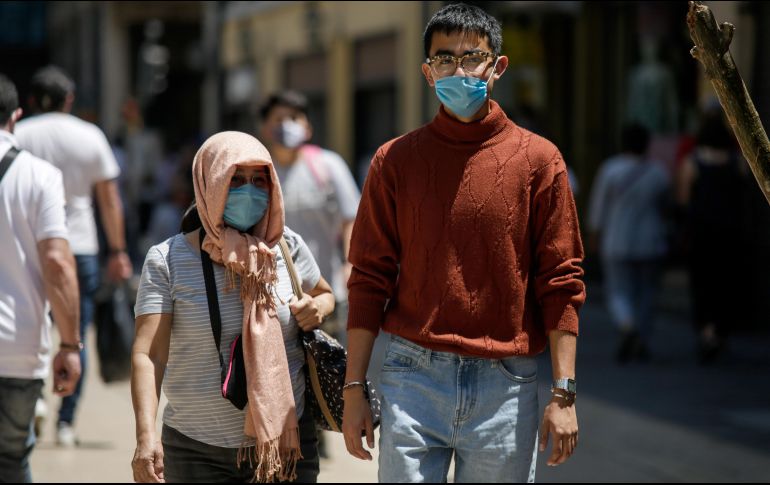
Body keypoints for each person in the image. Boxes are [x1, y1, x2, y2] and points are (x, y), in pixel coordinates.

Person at [341, 4, 586, 482]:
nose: (459, 70)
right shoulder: (394, 161)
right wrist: (354, 387)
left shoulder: (540, 161)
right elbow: (369, 278)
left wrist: (564, 393)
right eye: (444, 59)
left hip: (507, 383)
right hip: (412, 375)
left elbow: (561, 281)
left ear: (498, 66)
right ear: (427, 73)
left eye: (472, 57)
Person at [131, 131, 335, 483]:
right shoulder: (167, 260)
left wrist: (317, 308)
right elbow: (150, 355)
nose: (249, 191)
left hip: (285, 448)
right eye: (235, 179)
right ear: (209, 182)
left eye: (259, 180)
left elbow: (325, 294)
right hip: (196, 453)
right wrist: (145, 437)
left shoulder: (287, 247)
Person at [15, 65, 133, 447]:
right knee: (74, 334)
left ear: (30, 101)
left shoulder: (18, 134)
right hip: (79, 247)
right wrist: (117, 250)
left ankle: (34, 401)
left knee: (28, 322)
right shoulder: (89, 136)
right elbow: (109, 199)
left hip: (27, 244)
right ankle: (65, 422)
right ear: (70, 99)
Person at [0, 73, 82, 482]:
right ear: (14, 115)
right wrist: (69, 344)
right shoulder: (39, 176)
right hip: (17, 346)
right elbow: (57, 263)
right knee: (11, 461)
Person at [258, 91, 360, 341]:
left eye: (294, 117)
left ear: (308, 127)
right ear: (265, 128)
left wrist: (350, 265)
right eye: (279, 119)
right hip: (275, 299)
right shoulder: (258, 173)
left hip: (326, 294)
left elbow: (352, 218)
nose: (287, 125)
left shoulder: (328, 165)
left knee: (329, 372)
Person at [587, 123, 671, 363]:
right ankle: (641, 337)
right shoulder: (658, 172)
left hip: (617, 240)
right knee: (647, 292)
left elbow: (598, 205)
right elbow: (666, 207)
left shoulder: (611, 169)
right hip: (651, 241)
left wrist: (594, 234)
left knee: (618, 290)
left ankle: (627, 325)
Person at [675, 108, 744, 364]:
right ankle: (720, 330)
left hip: (701, 233)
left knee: (702, 282)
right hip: (729, 232)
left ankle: (706, 331)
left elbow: (682, 200)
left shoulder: (692, 162)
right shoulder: (737, 161)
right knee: (726, 283)